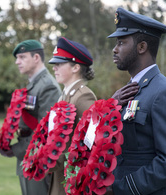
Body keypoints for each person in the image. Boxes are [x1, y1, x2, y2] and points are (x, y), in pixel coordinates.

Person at [108, 7, 166, 195]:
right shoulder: (127, 92)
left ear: (141, 47)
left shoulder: (164, 93)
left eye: (121, 42)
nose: (114, 49)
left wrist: (122, 187)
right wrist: (110, 106)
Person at [0, 40, 61, 195]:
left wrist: (15, 149)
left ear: (36, 58)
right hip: (28, 158)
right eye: (17, 58)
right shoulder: (35, 84)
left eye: (22, 57)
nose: (17, 62)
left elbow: (45, 133)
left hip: (37, 162)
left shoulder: (48, 86)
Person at [47, 37, 97, 195]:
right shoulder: (64, 96)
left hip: (73, 182)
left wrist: (54, 160)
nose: (54, 68)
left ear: (75, 67)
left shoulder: (83, 97)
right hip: (60, 178)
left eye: (59, 64)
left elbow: (91, 145)